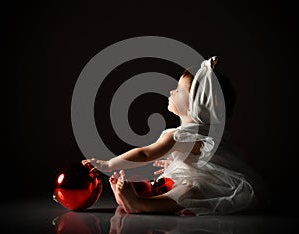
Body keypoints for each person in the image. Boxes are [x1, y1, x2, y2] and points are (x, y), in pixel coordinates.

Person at [83, 56, 259, 215]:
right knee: (181, 187)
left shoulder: (179, 136)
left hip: (213, 183)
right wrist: (175, 163)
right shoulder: (208, 134)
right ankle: (137, 196)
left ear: (194, 108)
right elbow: (205, 161)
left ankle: (141, 204)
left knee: (188, 190)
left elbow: (145, 154)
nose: (172, 92)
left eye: (178, 90)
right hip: (213, 178)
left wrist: (108, 164)